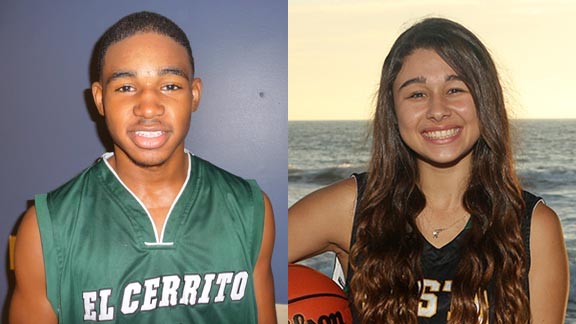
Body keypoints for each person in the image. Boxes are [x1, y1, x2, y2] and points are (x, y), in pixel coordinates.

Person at [288, 17, 568, 323]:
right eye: (417, 94)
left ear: (485, 100)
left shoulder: (533, 227)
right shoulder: (350, 208)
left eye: (455, 89)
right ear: (393, 111)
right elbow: (236, 267)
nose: (437, 110)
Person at [10, 11, 276, 323]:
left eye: (170, 86)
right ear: (99, 99)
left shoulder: (249, 209)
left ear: (194, 95)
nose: (148, 107)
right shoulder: (45, 231)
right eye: (125, 87)